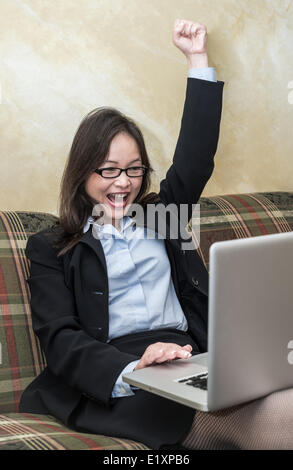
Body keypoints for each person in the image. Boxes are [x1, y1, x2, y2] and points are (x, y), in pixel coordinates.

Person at [19, 19, 293, 450]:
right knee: (277, 418)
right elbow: (61, 340)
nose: (122, 183)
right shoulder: (51, 247)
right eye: (108, 170)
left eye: (133, 169)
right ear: (82, 172)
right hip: (120, 374)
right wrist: (133, 370)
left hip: (190, 360)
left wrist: (196, 59)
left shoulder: (162, 217)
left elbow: (195, 159)